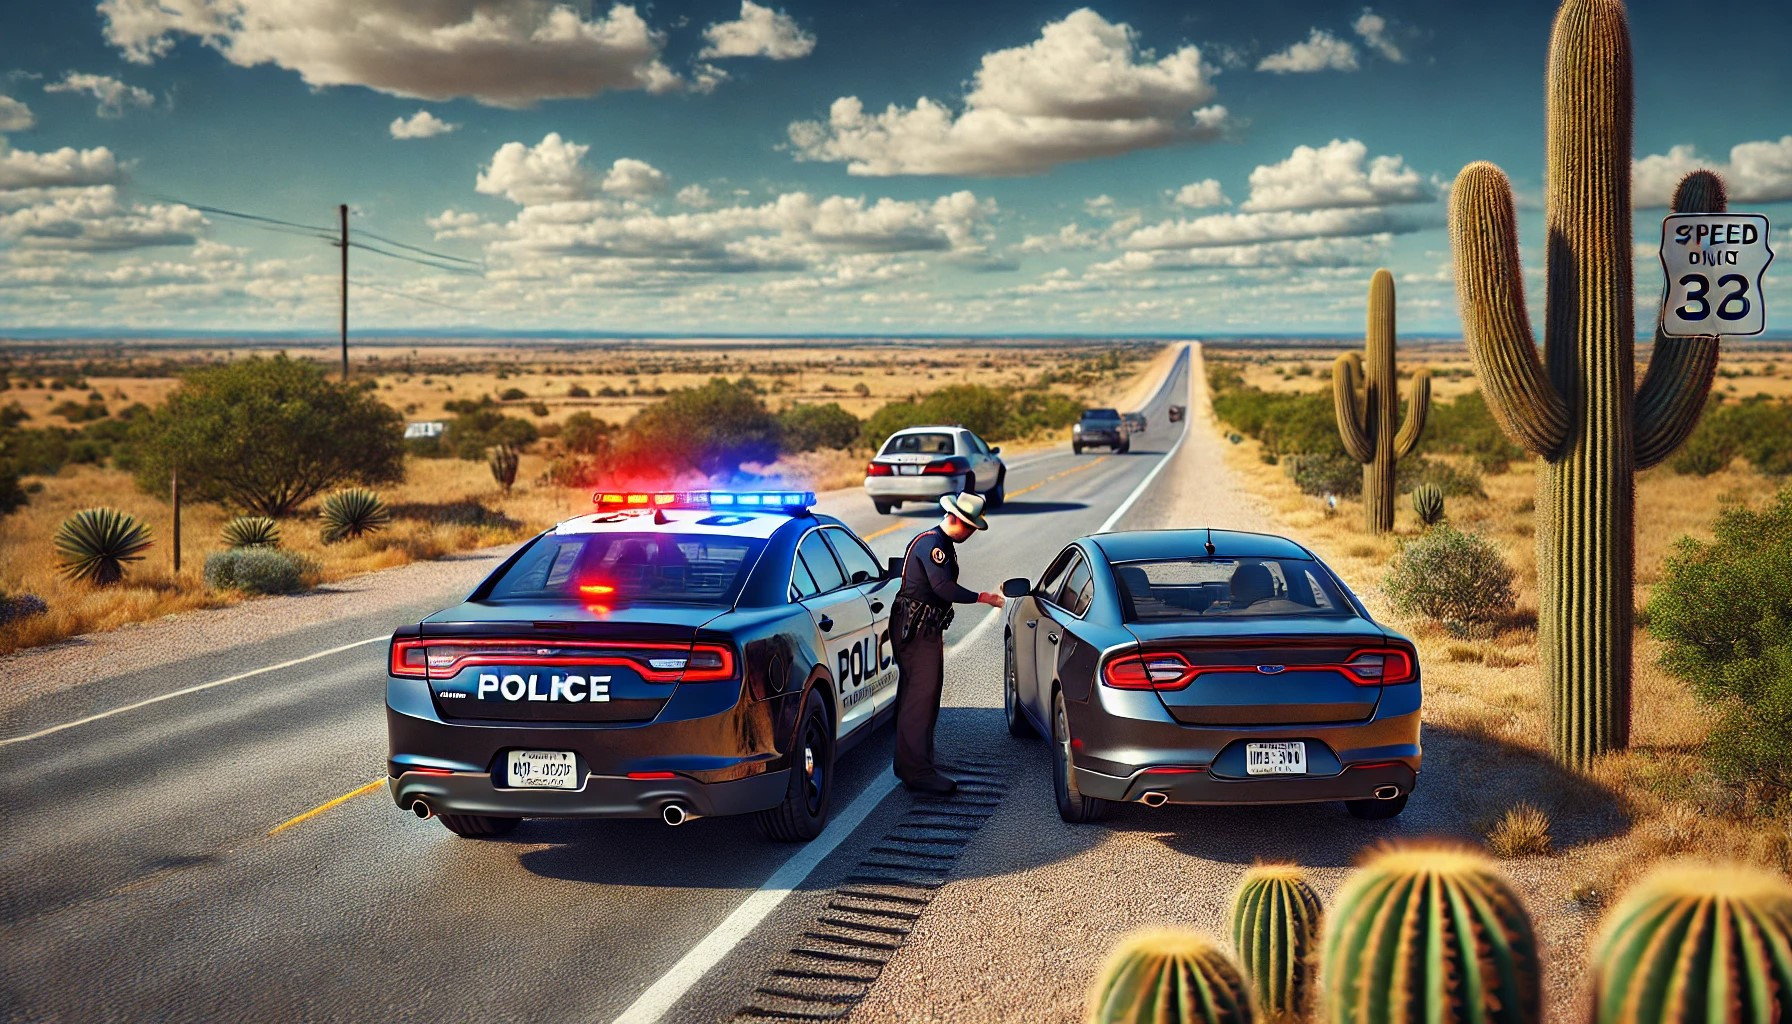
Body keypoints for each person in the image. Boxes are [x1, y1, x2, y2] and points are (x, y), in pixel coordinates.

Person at [891, 490, 1004, 796]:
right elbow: (942, 587)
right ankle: (919, 773)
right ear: (954, 518)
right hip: (916, 627)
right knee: (921, 699)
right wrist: (982, 597)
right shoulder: (932, 544)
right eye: (968, 525)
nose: (970, 532)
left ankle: (908, 765)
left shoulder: (942, 543)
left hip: (921, 625)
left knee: (915, 696)